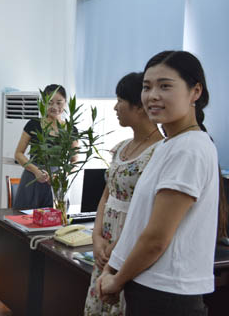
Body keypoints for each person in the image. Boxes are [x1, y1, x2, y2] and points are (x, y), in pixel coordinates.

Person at [97, 51, 219, 315]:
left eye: (165, 86)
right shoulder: (168, 145)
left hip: (167, 294)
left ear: (195, 92)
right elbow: (138, 223)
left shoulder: (190, 148)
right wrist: (111, 268)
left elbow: (156, 238)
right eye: (147, 87)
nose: (152, 95)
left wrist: (117, 280)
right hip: (147, 284)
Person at [84, 72, 163, 316]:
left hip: (131, 245)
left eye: (120, 100)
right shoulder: (121, 148)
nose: (115, 107)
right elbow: (106, 197)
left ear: (139, 106)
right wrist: (97, 237)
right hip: (106, 244)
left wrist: (119, 247)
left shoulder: (160, 152)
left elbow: (152, 212)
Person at [13, 84, 78, 209]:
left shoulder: (71, 129)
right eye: (50, 102)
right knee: (25, 217)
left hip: (56, 182)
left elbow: (75, 161)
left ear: (65, 103)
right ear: (44, 103)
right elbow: (18, 154)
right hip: (32, 177)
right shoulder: (33, 124)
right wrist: (36, 171)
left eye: (59, 102)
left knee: (56, 217)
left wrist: (62, 176)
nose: (54, 107)